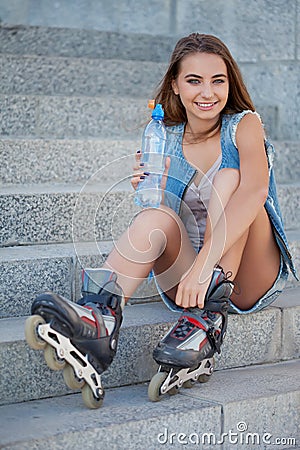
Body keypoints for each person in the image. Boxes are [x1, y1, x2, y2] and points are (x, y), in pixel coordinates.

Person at [28, 33, 298, 405]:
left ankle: (206, 322)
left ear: (230, 83)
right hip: (187, 277)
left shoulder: (243, 124)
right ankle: (102, 316)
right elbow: (158, 215)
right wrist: (151, 189)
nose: (208, 93)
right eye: (193, 80)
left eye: (218, 81)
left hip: (246, 275)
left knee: (230, 179)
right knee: (157, 215)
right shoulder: (162, 134)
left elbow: (254, 193)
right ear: (174, 83)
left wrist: (206, 266)